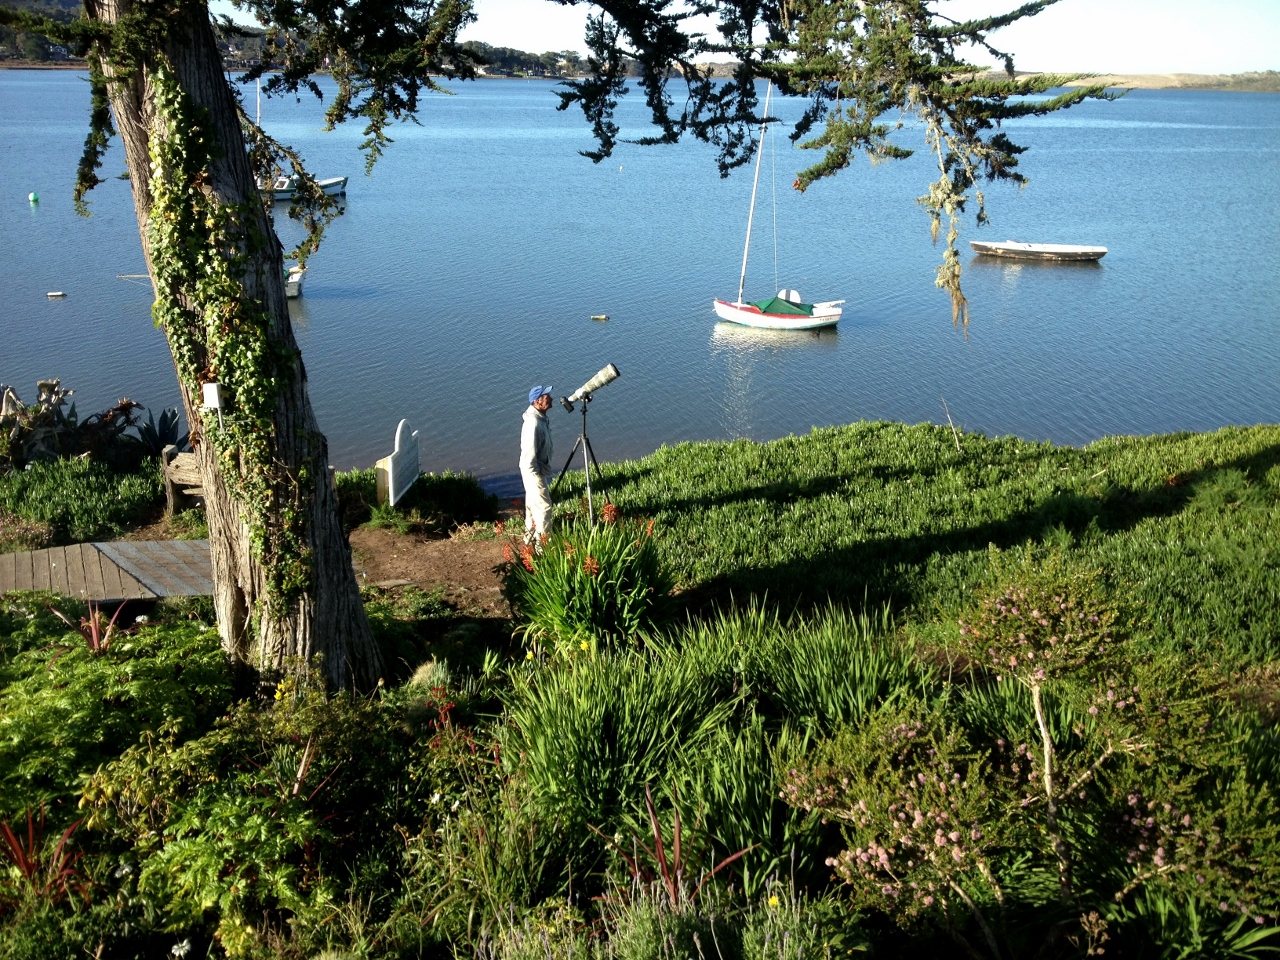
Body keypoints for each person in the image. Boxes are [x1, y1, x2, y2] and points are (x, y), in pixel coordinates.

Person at [520, 385, 554, 542]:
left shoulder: (540, 419)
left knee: (532, 507)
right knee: (544, 507)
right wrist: (536, 476)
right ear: (537, 401)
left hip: (535, 470)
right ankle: (543, 546)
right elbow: (529, 455)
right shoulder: (533, 423)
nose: (551, 398)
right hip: (533, 471)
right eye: (547, 397)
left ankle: (529, 540)